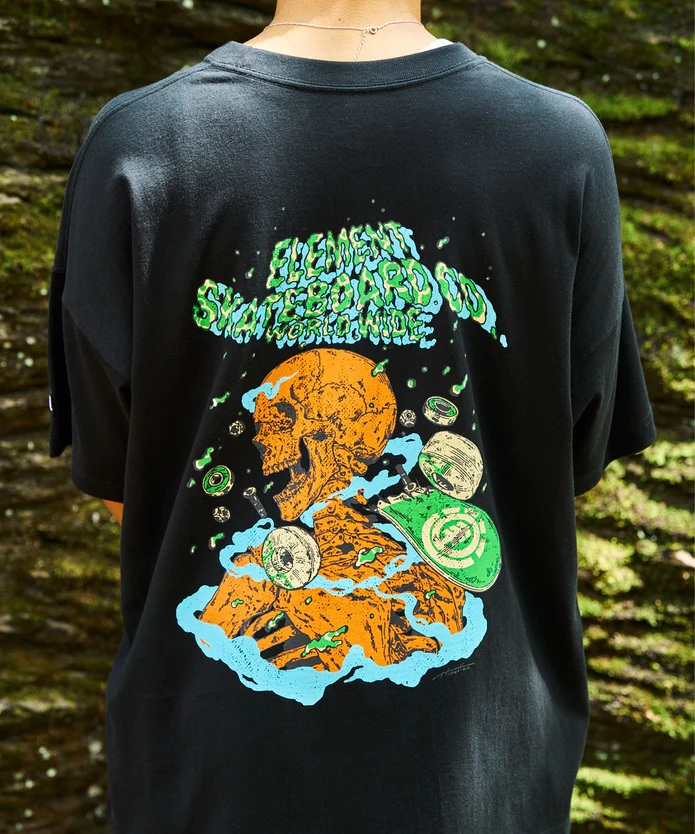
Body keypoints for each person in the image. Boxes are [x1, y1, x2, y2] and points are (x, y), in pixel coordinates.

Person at [45, 1, 657, 831]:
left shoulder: (141, 144)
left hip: (211, 782)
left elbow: (132, 489)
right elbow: (552, 477)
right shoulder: (555, 148)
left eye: (280, 415)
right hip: (474, 795)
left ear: (326, 430)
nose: (259, 429)